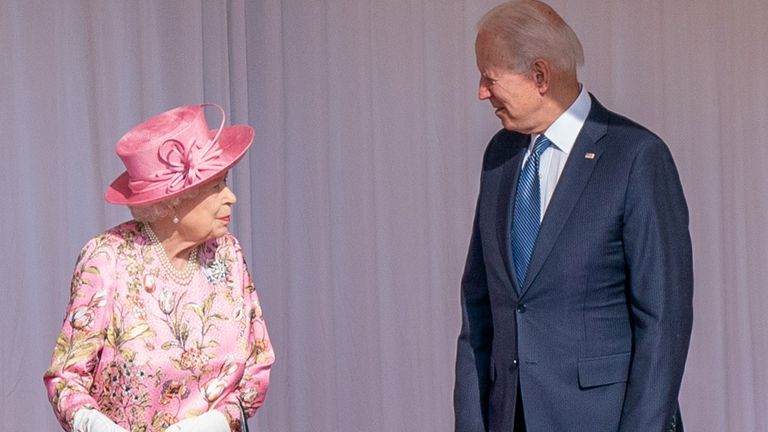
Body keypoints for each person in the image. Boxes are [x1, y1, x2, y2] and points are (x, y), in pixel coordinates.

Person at [453, 1, 693, 431]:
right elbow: (479, 309)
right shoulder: (500, 157)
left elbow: (663, 323)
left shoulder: (635, 157)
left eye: (490, 78)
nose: (481, 92)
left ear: (539, 76)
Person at [44, 104, 274, 432]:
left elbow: (257, 365)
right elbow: (66, 378)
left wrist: (213, 424)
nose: (231, 197)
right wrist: (96, 425)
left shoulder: (227, 253)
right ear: (172, 203)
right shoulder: (109, 259)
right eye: (215, 187)